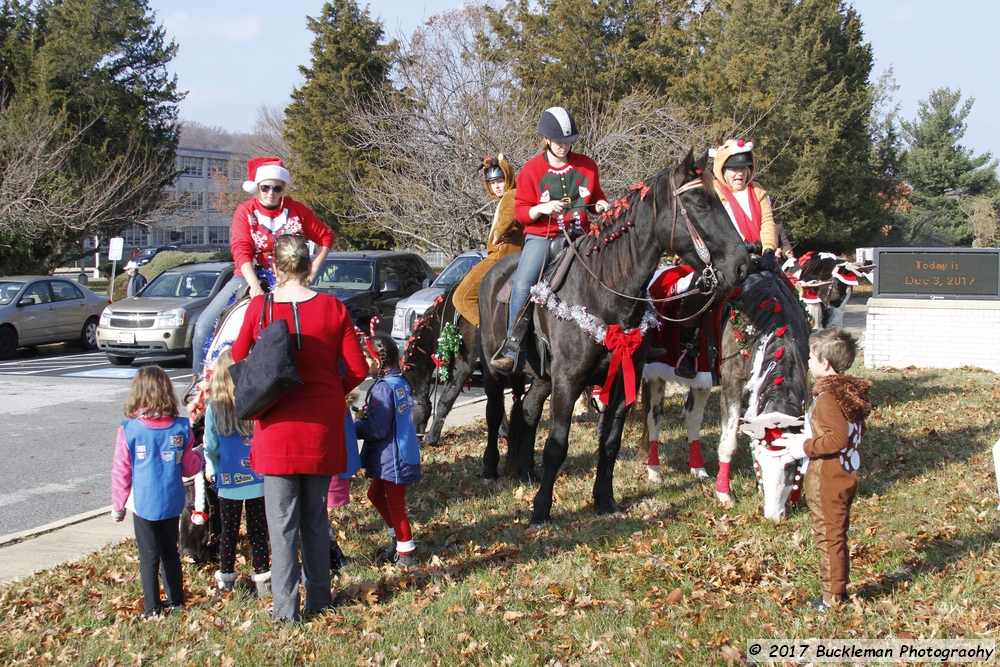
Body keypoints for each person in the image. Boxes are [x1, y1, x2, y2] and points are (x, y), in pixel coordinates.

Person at [232, 235, 368, 623]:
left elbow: (239, 359)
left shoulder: (260, 307)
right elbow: (358, 368)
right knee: (315, 518)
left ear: (274, 269)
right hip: (322, 427)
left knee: (281, 524)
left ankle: (285, 611)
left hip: (276, 428)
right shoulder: (333, 307)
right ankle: (320, 601)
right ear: (310, 267)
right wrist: (329, 392)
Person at [490, 107, 610, 374]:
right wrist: (541, 209)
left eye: (569, 141)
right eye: (559, 141)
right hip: (543, 238)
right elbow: (521, 212)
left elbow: (595, 197)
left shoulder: (588, 165)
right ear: (546, 139)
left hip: (582, 236)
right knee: (522, 284)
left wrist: (600, 205)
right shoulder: (531, 170)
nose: (565, 146)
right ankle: (513, 348)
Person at [191, 157, 334, 375]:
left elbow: (325, 237)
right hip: (248, 276)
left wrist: (312, 271)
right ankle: (199, 386)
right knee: (202, 327)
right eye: (265, 187)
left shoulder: (298, 211)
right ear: (258, 187)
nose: (271, 192)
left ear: (283, 188)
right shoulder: (245, 212)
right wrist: (254, 285)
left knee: (327, 325)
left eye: (277, 188)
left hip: (290, 279)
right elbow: (240, 249)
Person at [780, 327, 872, 612]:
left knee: (828, 535)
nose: (807, 362)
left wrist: (802, 447)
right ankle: (835, 591)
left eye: (811, 357)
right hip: (843, 474)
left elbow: (837, 438)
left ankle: (832, 598)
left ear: (825, 363)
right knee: (834, 532)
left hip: (829, 479)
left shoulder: (829, 398)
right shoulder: (844, 393)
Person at [672, 138, 780, 379]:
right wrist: (740, 246)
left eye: (743, 168)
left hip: (759, 257)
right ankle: (687, 351)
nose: (739, 173)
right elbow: (715, 228)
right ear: (723, 170)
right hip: (722, 258)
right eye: (733, 168)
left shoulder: (759, 191)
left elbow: (767, 224)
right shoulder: (713, 192)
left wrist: (769, 250)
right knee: (698, 295)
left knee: (788, 292)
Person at [111, 365, 204, 618]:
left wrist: (118, 505)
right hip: (172, 499)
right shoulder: (181, 428)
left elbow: (122, 471)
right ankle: (176, 601)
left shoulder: (129, 430)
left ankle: (152, 607)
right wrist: (200, 457)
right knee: (170, 552)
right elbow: (188, 468)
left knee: (148, 556)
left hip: (143, 503)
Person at [202, 349, 270, 597]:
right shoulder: (253, 403)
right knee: (258, 531)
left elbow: (210, 446)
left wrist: (213, 467)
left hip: (229, 480)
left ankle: (226, 578)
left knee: (229, 531)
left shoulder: (214, 409)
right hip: (257, 478)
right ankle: (263, 576)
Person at [354, 334, 422, 568]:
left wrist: (356, 424)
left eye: (365, 358)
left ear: (376, 360)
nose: (364, 364)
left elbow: (378, 429)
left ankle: (406, 554)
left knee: (395, 505)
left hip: (392, 457)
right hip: (398, 453)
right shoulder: (400, 382)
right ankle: (397, 537)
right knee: (374, 495)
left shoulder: (383, 388)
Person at [452, 154, 524, 326]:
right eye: (492, 183)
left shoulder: (512, 194)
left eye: (500, 181)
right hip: (503, 255)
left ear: (508, 178)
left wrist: (498, 235)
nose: (496, 186)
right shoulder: (506, 198)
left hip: (501, 257)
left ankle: (488, 332)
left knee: (461, 297)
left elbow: (508, 220)